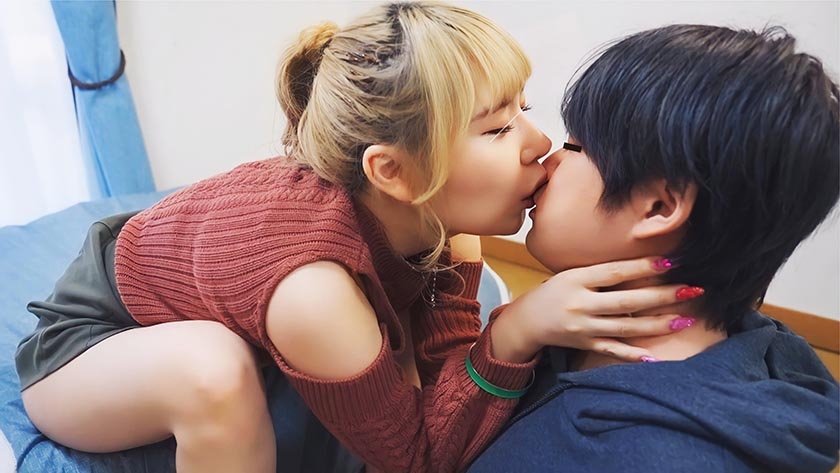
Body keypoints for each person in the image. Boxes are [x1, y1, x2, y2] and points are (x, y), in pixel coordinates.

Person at [14, 3, 700, 473]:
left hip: (197, 265)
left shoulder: (448, 230)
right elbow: (415, 459)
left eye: (523, 107)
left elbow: (443, 379)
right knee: (214, 370)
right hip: (85, 344)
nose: (540, 141)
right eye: (496, 128)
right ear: (393, 172)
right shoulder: (313, 289)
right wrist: (516, 328)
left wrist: (490, 337)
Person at [468, 24, 840, 473]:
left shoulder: (653, 458)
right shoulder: (565, 324)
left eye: (576, 146)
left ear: (659, 208)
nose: (550, 154)